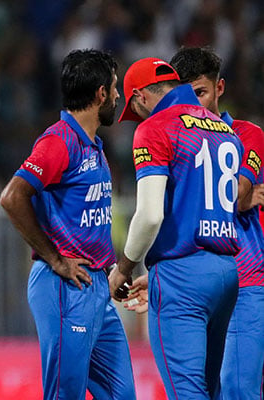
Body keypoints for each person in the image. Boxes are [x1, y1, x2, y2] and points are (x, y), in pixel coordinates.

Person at [0, 49, 136, 399]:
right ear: (101, 93)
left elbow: (89, 219)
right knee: (65, 393)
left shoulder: (91, 144)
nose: (119, 97)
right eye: (116, 88)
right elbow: (12, 197)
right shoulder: (59, 141)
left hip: (97, 287)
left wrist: (108, 270)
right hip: (65, 287)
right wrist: (55, 258)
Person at [108, 57, 243, 399]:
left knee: (186, 392)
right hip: (226, 272)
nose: (137, 118)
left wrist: (123, 268)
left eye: (134, 110)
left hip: (182, 278)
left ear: (139, 96)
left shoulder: (155, 127)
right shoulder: (224, 130)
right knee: (210, 391)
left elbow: (151, 215)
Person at [169, 47, 264, 400]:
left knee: (239, 391)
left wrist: (240, 195)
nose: (193, 103)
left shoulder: (247, 135)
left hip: (245, 281)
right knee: (200, 392)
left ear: (220, 88)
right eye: (184, 95)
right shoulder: (175, 141)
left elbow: (237, 199)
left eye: (201, 92)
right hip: (193, 284)